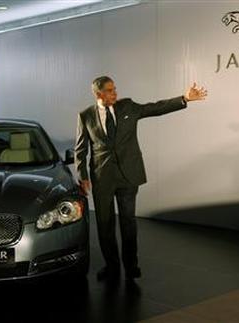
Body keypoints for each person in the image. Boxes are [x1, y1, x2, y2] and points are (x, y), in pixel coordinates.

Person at [75, 76, 207, 281]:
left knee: (128, 223)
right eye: (110, 90)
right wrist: (82, 176)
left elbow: (154, 108)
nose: (115, 93)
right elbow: (80, 149)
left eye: (115, 89)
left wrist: (185, 98)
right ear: (98, 94)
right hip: (102, 178)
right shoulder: (85, 116)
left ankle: (131, 266)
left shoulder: (128, 106)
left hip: (129, 175)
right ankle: (111, 267)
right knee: (104, 225)